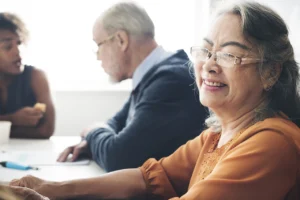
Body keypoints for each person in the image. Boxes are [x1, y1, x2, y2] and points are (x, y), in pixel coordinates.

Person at [11, 1, 300, 199]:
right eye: (206, 50)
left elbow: (123, 157)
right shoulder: (216, 135)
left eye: (228, 54)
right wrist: (50, 187)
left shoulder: (271, 143)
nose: (209, 65)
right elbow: (149, 176)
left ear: (270, 73)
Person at [56, 2, 207, 171]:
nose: (98, 57)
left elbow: (118, 158)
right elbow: (116, 122)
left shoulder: (169, 81)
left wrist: (92, 132)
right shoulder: (152, 75)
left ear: (121, 40)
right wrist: (94, 141)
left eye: (98, 45)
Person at [0, 13, 55, 138]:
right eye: (8, 47)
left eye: (19, 44)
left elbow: (46, 130)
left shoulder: (36, 77)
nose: (18, 52)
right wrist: (13, 119)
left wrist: (4, 128)